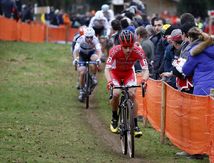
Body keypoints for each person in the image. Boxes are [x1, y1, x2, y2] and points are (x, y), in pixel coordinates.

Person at [104, 30, 149, 137]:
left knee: (132, 94)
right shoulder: (114, 51)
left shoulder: (138, 51)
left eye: (130, 46)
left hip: (129, 73)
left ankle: (135, 124)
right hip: (115, 73)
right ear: (120, 45)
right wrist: (110, 82)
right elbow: (107, 69)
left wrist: (143, 80)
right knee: (116, 93)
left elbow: (146, 69)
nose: (128, 50)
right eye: (125, 47)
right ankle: (115, 118)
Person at [73, 27, 102, 102]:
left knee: (95, 59)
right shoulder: (80, 39)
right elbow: (76, 50)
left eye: (91, 37)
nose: (89, 39)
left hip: (91, 54)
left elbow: (99, 50)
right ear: (85, 36)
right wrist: (76, 59)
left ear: (93, 36)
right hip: (82, 55)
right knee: (82, 72)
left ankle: (93, 76)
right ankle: (82, 91)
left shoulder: (95, 39)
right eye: (87, 37)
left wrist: (99, 59)